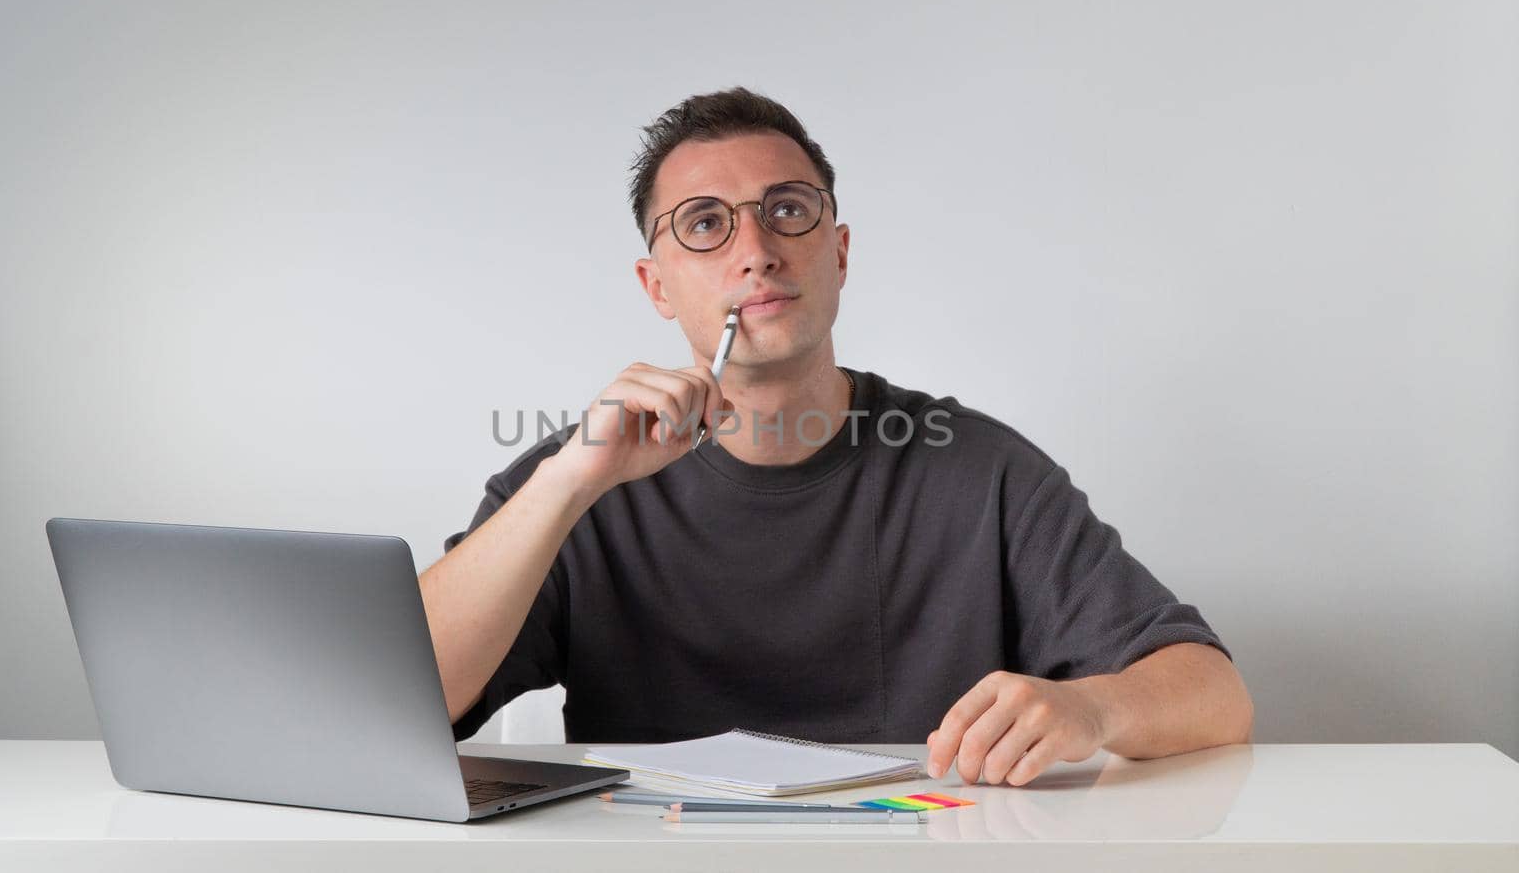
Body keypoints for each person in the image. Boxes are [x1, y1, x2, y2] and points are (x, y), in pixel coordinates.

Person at [419, 86, 1254, 787]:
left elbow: (1215, 695)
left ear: (839, 253)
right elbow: (402, 699)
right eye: (705, 224)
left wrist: (1091, 707)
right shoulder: (572, 478)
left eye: (787, 211)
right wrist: (567, 488)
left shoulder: (981, 471)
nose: (757, 251)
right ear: (657, 286)